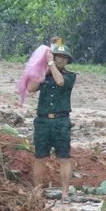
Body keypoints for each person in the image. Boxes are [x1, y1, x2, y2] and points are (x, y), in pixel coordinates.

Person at [27, 44, 76, 199]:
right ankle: (37, 192)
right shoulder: (45, 75)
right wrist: (43, 72)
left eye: (63, 57)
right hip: (43, 121)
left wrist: (50, 65)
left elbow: (60, 82)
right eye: (58, 56)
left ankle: (65, 193)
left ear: (67, 61)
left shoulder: (69, 75)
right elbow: (31, 88)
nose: (60, 59)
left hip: (61, 121)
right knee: (40, 158)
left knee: (64, 158)